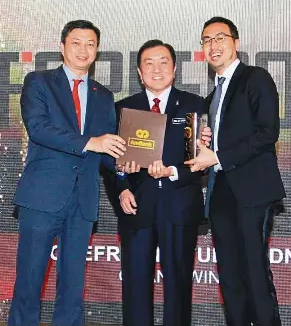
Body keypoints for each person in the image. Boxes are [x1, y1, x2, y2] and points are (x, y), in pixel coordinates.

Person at [8, 20, 127, 326]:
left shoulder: (104, 96)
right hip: (42, 197)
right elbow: (39, 129)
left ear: (97, 51)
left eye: (90, 44)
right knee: (29, 283)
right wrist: (92, 142)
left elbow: (105, 150)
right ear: (62, 47)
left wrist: (124, 166)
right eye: (76, 42)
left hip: (83, 201)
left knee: (73, 287)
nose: (83, 49)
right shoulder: (39, 82)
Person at [185, 16, 286, 326]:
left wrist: (216, 156)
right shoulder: (212, 96)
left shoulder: (256, 78)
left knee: (254, 272)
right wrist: (206, 139)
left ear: (236, 43)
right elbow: (218, 138)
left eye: (220, 38)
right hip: (220, 194)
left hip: (252, 191)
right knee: (229, 277)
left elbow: (267, 133)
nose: (213, 45)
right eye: (206, 40)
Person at [113, 39, 210, 326]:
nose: (157, 69)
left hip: (179, 206)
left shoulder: (194, 105)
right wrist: (122, 184)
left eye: (163, 62)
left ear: (175, 68)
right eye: (149, 63)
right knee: (135, 285)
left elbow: (200, 159)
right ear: (139, 72)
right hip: (137, 208)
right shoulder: (123, 109)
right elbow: (110, 161)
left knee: (179, 286)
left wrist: (172, 171)